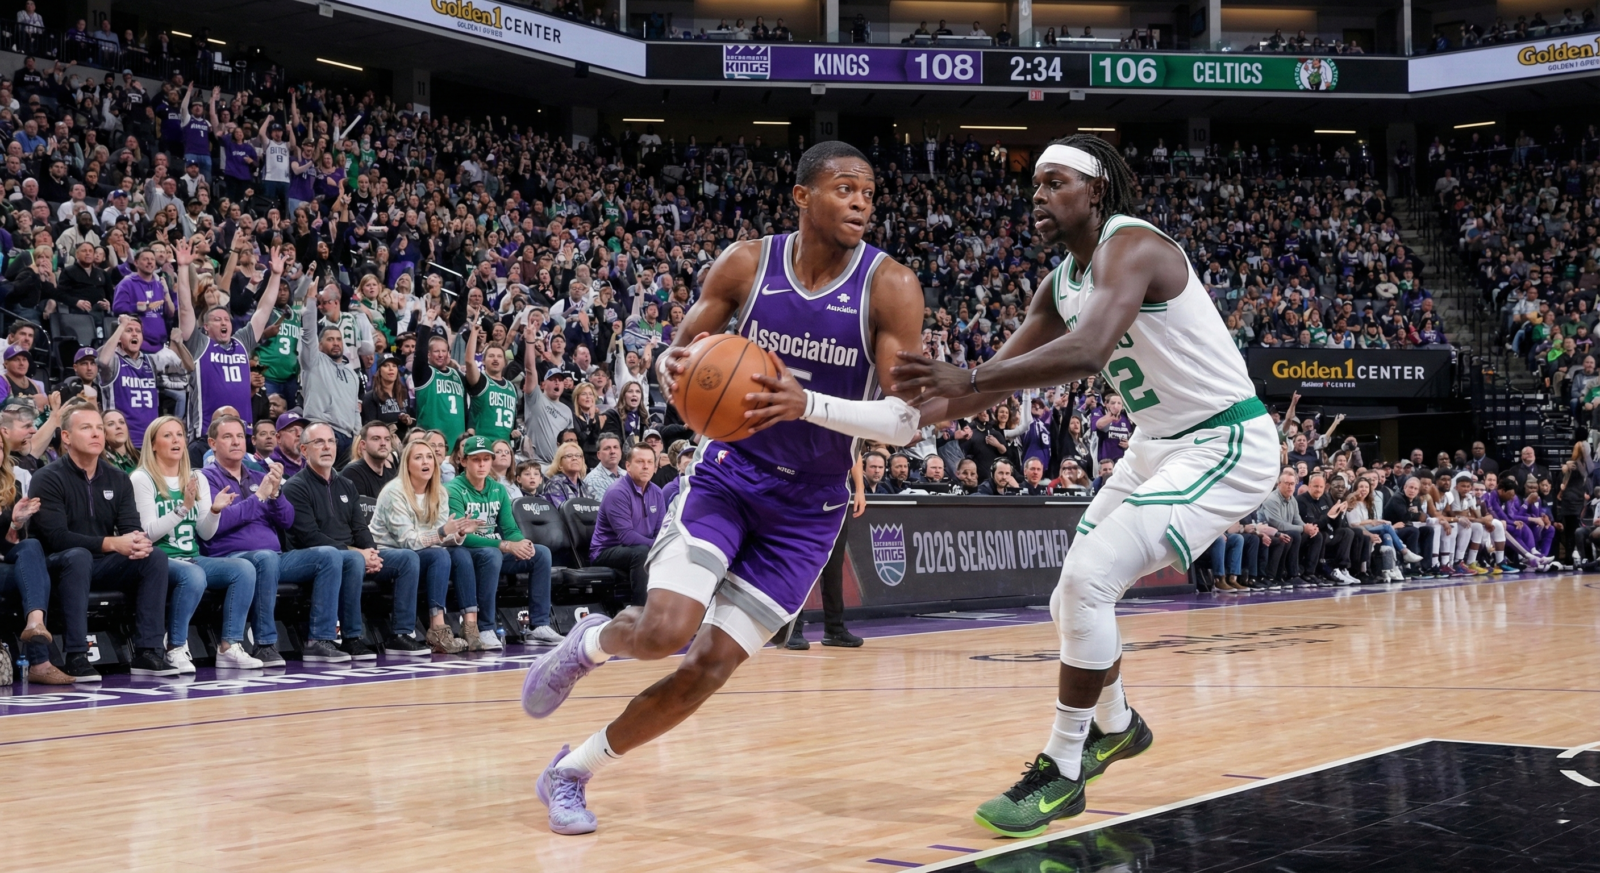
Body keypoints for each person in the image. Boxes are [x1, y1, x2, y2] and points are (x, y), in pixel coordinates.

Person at [520, 142, 926, 836]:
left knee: (707, 668)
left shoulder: (890, 285)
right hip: (729, 475)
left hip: (809, 509)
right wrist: (675, 369)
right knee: (664, 632)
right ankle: (590, 643)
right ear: (802, 196)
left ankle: (571, 771)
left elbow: (906, 421)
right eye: (844, 188)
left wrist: (806, 404)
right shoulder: (747, 263)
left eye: (868, 192)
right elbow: (678, 360)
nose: (861, 201)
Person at [890, 134, 1278, 835]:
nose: (1038, 196)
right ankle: (1118, 724)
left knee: (1089, 580)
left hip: (1225, 440)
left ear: (1096, 191)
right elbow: (983, 391)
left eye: (1055, 182)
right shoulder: (1058, 283)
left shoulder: (1133, 245)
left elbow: (1089, 350)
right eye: (1036, 185)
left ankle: (1064, 768)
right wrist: (889, 418)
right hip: (1156, 445)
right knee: (1068, 598)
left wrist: (969, 375)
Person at [31, 405, 177, 679]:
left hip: (102, 565)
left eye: (99, 428)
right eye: (86, 428)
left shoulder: (118, 478)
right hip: (57, 566)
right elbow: (57, 538)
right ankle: (76, 655)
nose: (96, 434)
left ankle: (148, 652)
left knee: (155, 557)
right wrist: (112, 543)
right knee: (78, 556)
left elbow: (131, 529)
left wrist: (139, 543)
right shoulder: (48, 477)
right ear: (66, 437)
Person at [201, 413, 340, 666]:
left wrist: (276, 494)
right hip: (231, 558)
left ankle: (320, 640)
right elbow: (219, 523)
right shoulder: (206, 477)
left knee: (329, 555)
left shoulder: (258, 476)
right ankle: (265, 644)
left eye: (239, 436)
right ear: (212, 443)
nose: (236, 442)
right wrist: (259, 498)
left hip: (274, 557)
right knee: (266, 558)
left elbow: (287, 520)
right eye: (228, 437)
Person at [283, 421, 428, 658]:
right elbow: (309, 536)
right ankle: (350, 637)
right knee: (351, 560)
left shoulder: (346, 484)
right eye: (319, 442)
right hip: (314, 557)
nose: (327, 447)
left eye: (331, 442)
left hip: (353, 555)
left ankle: (401, 634)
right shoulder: (295, 487)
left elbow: (360, 527)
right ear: (304, 450)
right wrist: (357, 553)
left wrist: (372, 553)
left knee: (407, 559)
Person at [131, 415, 262, 671]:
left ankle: (229, 646)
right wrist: (183, 508)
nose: (176, 440)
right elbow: (147, 534)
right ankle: (175, 647)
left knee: (244, 569)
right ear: (153, 444)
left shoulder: (196, 477)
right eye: (167, 435)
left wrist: (214, 511)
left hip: (192, 556)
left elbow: (205, 533)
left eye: (179, 435)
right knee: (193, 575)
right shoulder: (142, 478)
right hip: (158, 560)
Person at [447, 435, 563, 647]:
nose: (482, 464)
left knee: (541, 554)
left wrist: (521, 544)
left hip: (496, 550)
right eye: (475, 459)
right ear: (463, 461)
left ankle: (539, 625)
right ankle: (485, 628)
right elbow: (461, 535)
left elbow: (510, 529)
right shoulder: (453, 489)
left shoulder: (498, 489)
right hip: (468, 553)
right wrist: (504, 545)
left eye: (486, 459)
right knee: (492, 555)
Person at [370, 439, 482, 654]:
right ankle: (437, 629)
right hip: (387, 553)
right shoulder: (394, 492)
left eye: (429, 457)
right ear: (407, 464)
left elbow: (438, 537)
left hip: (420, 553)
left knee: (460, 554)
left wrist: (458, 532)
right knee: (438, 556)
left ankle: (471, 627)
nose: (426, 462)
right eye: (418, 457)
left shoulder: (439, 492)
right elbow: (407, 541)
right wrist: (442, 532)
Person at [175, 239, 280, 435]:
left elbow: (264, 310)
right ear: (206, 327)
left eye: (226, 319)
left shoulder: (241, 341)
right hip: (207, 433)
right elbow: (185, 308)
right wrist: (182, 268)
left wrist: (275, 275)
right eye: (217, 319)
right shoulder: (199, 343)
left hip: (242, 433)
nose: (224, 322)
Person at [0, 447, 69, 683]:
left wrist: (16, 524)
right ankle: (40, 663)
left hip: (5, 564)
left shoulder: (11, 487)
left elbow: (8, 545)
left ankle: (35, 622)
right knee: (36, 576)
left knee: (31, 548)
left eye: (1, 447)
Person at [590, 444, 665, 605]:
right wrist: (658, 546)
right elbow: (626, 536)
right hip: (606, 551)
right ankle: (641, 610)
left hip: (642, 548)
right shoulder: (617, 492)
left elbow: (661, 532)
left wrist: (664, 547)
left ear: (655, 467)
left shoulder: (657, 492)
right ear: (628, 466)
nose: (645, 466)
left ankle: (668, 609)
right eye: (640, 461)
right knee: (643, 553)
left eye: (650, 462)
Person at [98, 316, 161, 452]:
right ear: (119, 337)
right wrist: (121, 326)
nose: (134, 334)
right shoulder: (114, 361)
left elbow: (187, 367)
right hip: (122, 441)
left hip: (150, 440)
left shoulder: (150, 361)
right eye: (129, 330)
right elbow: (102, 361)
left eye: (138, 331)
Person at [465, 322, 519, 445]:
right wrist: (474, 333)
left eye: (499, 356)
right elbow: (469, 361)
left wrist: (515, 431)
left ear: (505, 362)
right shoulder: (481, 381)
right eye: (491, 356)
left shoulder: (512, 388)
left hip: (504, 447)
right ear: (483, 361)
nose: (495, 359)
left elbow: (513, 421)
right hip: (483, 444)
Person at [413, 331, 467, 451]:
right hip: (431, 443)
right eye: (436, 351)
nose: (441, 355)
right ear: (428, 354)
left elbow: (465, 409)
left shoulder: (458, 376)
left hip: (456, 443)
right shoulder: (424, 374)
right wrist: (427, 324)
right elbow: (419, 353)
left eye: (444, 351)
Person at [341, 420, 396, 499]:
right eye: (376, 439)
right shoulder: (352, 473)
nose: (383, 443)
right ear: (363, 444)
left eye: (387, 439)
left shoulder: (391, 473)